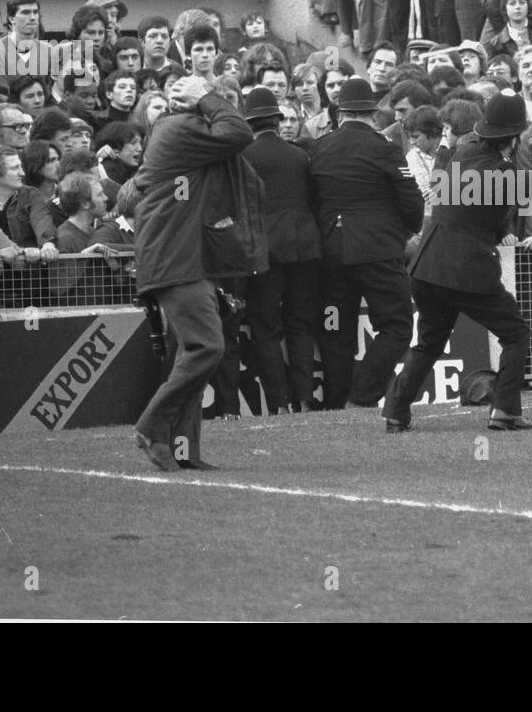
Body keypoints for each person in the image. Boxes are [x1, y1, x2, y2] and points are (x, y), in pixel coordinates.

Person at [383, 89, 532, 432]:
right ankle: (505, 410)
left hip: (427, 266)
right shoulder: (499, 173)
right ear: (513, 136)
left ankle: (395, 410)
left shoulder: (465, 153)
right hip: (465, 270)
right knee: (516, 332)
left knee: (429, 342)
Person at [131, 76, 266, 472]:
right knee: (207, 347)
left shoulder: (179, 131)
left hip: (184, 256)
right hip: (176, 259)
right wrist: (207, 96)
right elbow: (239, 131)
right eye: (208, 99)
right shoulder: (179, 127)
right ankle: (152, 429)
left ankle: (182, 449)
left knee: (191, 352)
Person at [309, 77, 423, 411]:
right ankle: (361, 397)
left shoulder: (320, 148)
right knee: (397, 325)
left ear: (340, 112)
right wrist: (402, 232)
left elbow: (313, 199)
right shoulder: (384, 148)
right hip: (376, 251)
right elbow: (412, 201)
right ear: (373, 115)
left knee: (335, 328)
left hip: (331, 251)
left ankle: (335, 401)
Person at [240, 88, 323, 415]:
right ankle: (304, 398)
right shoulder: (300, 155)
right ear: (276, 119)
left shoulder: (244, 157)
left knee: (266, 327)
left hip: (265, 250)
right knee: (300, 324)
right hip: (304, 246)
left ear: (249, 122)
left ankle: (279, 402)